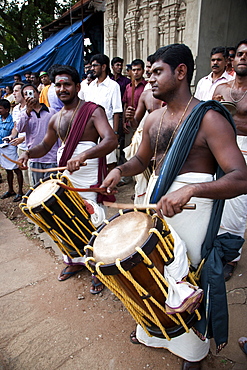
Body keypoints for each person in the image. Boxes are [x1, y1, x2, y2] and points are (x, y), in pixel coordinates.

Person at [101, 43, 247, 369]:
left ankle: (193, 352)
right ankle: (154, 332)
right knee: (153, 269)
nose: (150, 79)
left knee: (186, 277)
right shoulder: (154, 118)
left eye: (157, 72)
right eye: (149, 72)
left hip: (194, 208)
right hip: (158, 201)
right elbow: (141, 159)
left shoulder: (209, 119)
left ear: (180, 72)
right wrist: (119, 170)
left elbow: (241, 177)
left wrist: (193, 188)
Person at [18, 65, 118, 293]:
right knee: (64, 217)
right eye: (58, 85)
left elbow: (111, 140)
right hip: (68, 176)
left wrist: (84, 154)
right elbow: (44, 145)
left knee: (91, 220)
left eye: (67, 84)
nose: (62, 89)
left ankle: (99, 266)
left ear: (77, 87)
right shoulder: (56, 118)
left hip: (89, 175)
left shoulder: (93, 111)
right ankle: (75, 260)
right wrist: (28, 153)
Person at [212, 39, 247, 281]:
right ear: (232, 60)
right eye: (241, 54)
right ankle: (215, 246)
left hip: (245, 150)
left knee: (238, 205)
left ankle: (232, 256)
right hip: (220, 146)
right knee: (217, 198)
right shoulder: (221, 88)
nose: (244, 57)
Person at [84, 54, 122, 171]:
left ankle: (110, 186)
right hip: (91, 127)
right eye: (92, 66)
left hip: (107, 126)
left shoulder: (113, 86)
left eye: (95, 65)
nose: (92, 68)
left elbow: (117, 111)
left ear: (104, 67)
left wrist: (115, 133)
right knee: (93, 158)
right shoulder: (90, 86)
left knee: (109, 159)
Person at [16, 83, 59, 185]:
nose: (30, 95)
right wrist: (27, 112)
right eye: (26, 94)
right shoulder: (23, 114)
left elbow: (58, 134)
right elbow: (20, 129)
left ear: (38, 93)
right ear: (24, 98)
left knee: (52, 187)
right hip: (34, 158)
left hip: (51, 158)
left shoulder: (52, 112)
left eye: (32, 92)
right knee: (37, 188)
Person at [6, 82, 30, 188]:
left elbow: (38, 130)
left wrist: (23, 138)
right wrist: (12, 136)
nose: (14, 94)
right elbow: (16, 127)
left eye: (16, 91)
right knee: (26, 177)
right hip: (21, 148)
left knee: (35, 176)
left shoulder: (32, 108)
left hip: (32, 147)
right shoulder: (15, 109)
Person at [0, 99, 24, 201]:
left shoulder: (12, 120)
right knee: (7, 169)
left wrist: (10, 137)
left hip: (10, 147)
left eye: (0, 108)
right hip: (2, 148)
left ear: (6, 109)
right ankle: (10, 190)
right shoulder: (0, 119)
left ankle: (20, 192)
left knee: (16, 169)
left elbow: (14, 132)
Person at [122, 58, 148, 146]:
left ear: (143, 71)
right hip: (129, 124)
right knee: (128, 150)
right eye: (134, 70)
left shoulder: (147, 87)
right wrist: (124, 122)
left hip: (143, 124)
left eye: (138, 70)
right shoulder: (128, 87)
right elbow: (125, 105)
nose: (136, 72)